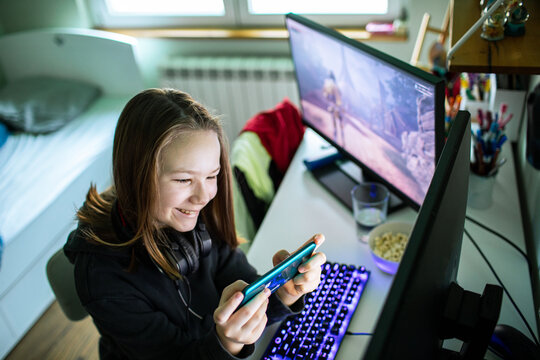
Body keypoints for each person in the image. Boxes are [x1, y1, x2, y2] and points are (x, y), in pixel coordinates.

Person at [64, 88, 326, 359]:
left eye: (211, 176)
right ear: (135, 177)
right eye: (183, 180)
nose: (203, 197)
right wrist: (226, 344)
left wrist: (283, 293)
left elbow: (242, 285)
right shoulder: (104, 278)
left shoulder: (192, 215)